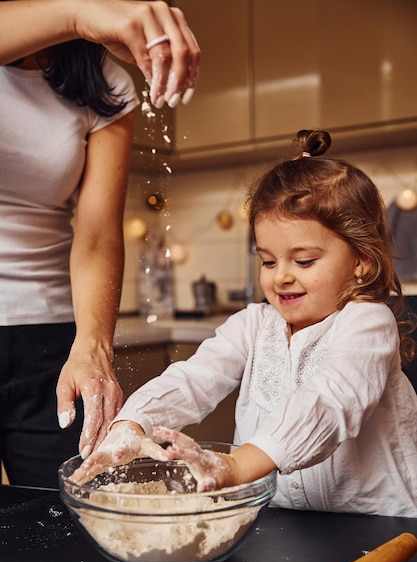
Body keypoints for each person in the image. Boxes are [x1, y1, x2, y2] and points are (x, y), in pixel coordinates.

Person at [71, 129, 417, 518]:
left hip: (374, 528)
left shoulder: (368, 323)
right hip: (277, 519)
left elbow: (329, 401)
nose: (281, 276)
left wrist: (238, 467)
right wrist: (135, 422)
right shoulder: (253, 325)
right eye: (268, 261)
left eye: (303, 261)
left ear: (362, 262)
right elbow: (193, 378)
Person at [0, 0, 200, 488]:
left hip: (47, 344)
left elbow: (96, 234)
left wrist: (91, 347)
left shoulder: (106, 83)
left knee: (63, 519)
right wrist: (76, 15)